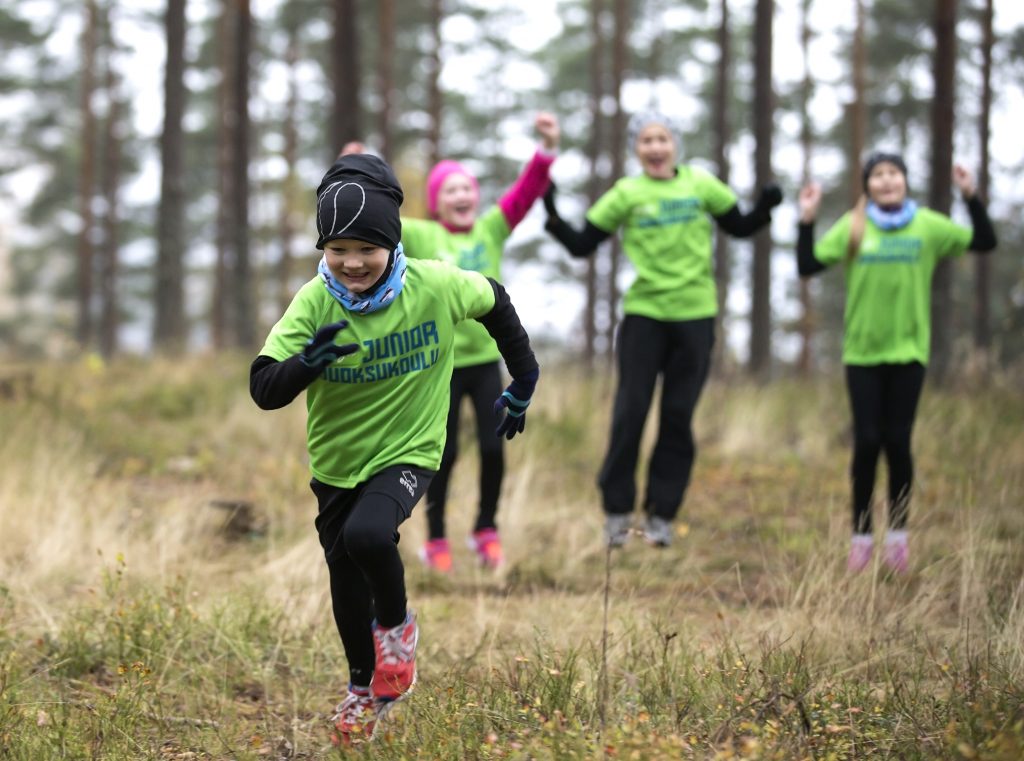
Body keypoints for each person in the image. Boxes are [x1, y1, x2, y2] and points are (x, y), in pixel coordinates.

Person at [249, 153, 539, 742]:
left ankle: (398, 629)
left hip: (410, 449)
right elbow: (263, 387)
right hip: (336, 463)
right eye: (337, 250)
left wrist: (524, 379)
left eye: (368, 249)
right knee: (343, 575)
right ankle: (363, 687)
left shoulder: (434, 285)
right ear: (323, 249)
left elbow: (496, 300)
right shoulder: (314, 302)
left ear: (393, 242)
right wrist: (309, 362)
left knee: (368, 537)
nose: (353, 263)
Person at [542, 111, 782, 548]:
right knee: (630, 413)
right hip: (645, 317)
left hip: (695, 315)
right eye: (647, 140)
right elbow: (582, 245)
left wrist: (766, 205)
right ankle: (617, 514)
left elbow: (741, 227)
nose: (655, 147)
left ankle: (662, 517)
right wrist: (553, 214)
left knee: (677, 416)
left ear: (675, 145)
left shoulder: (701, 184)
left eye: (662, 139)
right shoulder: (627, 193)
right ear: (637, 148)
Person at [796, 152, 997, 573]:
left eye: (894, 174)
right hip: (862, 354)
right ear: (867, 185)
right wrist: (807, 219)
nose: (887, 182)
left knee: (898, 442)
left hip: (909, 353)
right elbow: (807, 264)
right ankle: (862, 539)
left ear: (905, 181)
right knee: (867, 442)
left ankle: (898, 542)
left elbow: (984, 241)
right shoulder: (855, 226)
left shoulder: (926, 225)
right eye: (878, 176)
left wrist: (970, 195)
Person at [398, 112, 559, 572]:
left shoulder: (491, 230)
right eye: (451, 190)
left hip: (488, 362)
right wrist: (353, 171)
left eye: (467, 188)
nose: (462, 195)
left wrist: (545, 151)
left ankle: (486, 529)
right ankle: (436, 540)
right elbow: (381, 219)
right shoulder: (423, 235)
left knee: (493, 448)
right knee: (442, 454)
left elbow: (525, 195)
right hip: (440, 365)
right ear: (436, 203)